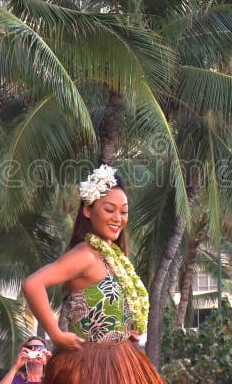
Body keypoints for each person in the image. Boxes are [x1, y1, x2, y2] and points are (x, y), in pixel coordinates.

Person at [22, 164, 166, 384]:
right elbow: (33, 284)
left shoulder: (115, 257)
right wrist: (57, 335)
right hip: (89, 367)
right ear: (88, 210)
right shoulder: (85, 255)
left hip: (123, 360)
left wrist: (128, 330)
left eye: (123, 211)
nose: (118, 218)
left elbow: (112, 306)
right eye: (109, 210)